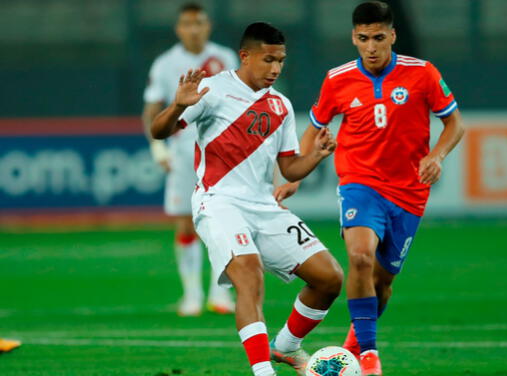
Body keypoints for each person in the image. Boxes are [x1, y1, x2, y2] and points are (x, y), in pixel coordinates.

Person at [274, 2, 465, 375]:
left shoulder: (422, 73)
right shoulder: (337, 79)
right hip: (359, 183)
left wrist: (438, 156)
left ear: (392, 35)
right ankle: (370, 356)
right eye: (363, 39)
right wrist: (296, 175)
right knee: (360, 257)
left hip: (409, 192)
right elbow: (315, 126)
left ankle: (349, 350)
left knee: (382, 283)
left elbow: (454, 123)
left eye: (379, 37)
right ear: (354, 38)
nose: (372, 47)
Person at [151, 22, 344, 376]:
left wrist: (316, 155)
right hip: (219, 202)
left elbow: (289, 169)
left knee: (330, 278)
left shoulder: (280, 105)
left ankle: (286, 348)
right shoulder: (212, 89)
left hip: (265, 207)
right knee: (250, 276)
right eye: (268, 59)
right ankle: (262, 372)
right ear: (245, 56)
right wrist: (177, 106)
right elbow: (158, 131)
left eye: (281, 61)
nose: (275, 68)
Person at [141, 2, 238, 316]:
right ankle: (192, 295)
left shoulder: (226, 57)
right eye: (187, 23)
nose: (193, 29)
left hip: (221, 151)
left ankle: (219, 294)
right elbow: (152, 109)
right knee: (185, 222)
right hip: (183, 152)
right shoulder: (165, 63)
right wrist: (158, 148)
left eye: (199, 23)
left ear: (207, 26)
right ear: (178, 28)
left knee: (225, 221)